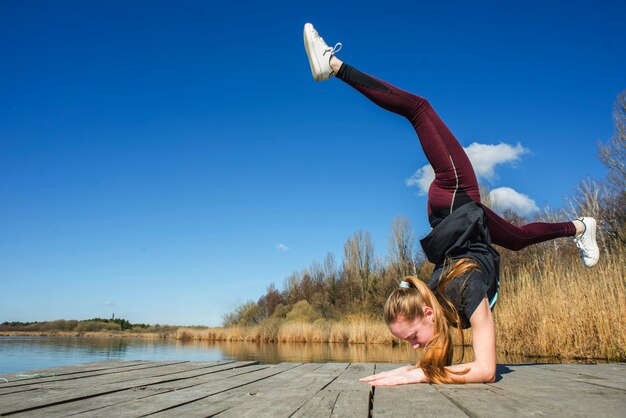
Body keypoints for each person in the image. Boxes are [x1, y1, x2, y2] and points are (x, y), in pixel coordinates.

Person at [303, 23, 600, 385]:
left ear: (428, 313)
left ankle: (333, 65)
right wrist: (416, 370)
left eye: (412, 339)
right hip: (455, 215)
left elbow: (486, 370)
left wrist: (419, 376)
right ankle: (581, 226)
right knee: (519, 239)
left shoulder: (464, 289)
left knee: (418, 109)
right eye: (410, 343)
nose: (413, 348)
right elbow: (471, 366)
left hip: (456, 198)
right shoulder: (447, 301)